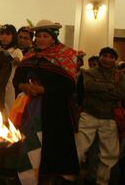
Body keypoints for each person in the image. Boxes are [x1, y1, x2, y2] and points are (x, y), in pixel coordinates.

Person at [13, 19, 79, 184]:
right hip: (29, 110)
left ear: (53, 38)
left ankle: (45, 179)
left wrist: (45, 90)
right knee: (28, 144)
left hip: (54, 112)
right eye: (39, 36)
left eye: (45, 36)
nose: (41, 39)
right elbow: (17, 79)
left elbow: (69, 86)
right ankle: (26, 177)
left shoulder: (66, 55)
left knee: (49, 151)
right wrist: (23, 86)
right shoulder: (29, 55)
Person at [76, 47, 125, 185]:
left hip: (109, 117)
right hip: (89, 114)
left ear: (115, 59)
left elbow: (122, 93)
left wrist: (100, 88)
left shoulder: (120, 76)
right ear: (100, 57)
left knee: (110, 154)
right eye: (105, 56)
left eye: (111, 57)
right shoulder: (89, 72)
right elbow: (89, 87)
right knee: (79, 147)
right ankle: (71, 177)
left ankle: (102, 181)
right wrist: (110, 87)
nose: (107, 59)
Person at [0, 24, 23, 117]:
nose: (4, 37)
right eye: (2, 34)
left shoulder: (17, 51)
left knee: (8, 112)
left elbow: (20, 66)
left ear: (13, 36)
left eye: (8, 34)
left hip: (10, 86)